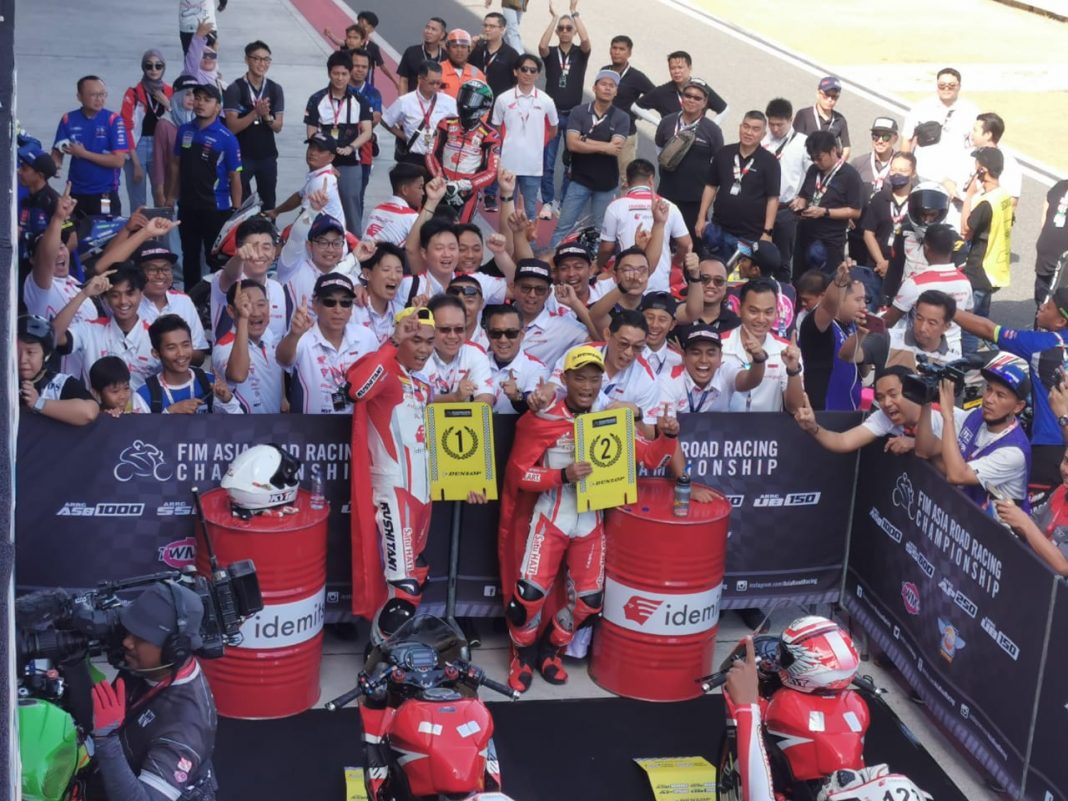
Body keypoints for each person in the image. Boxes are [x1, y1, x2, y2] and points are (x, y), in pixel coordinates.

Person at [498, 344, 677, 691]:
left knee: (590, 602)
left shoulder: (611, 419)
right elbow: (519, 475)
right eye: (580, 378)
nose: (587, 386)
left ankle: (552, 649)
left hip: (590, 523)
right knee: (527, 598)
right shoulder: (543, 419)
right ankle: (521, 655)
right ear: (565, 379)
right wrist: (561, 476)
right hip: (550, 518)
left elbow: (652, 459)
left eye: (594, 379)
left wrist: (668, 435)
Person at [345, 306, 487, 638]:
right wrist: (393, 342)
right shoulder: (383, 372)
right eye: (415, 340)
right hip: (394, 493)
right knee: (404, 583)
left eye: (428, 341)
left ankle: (391, 647)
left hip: (423, 494)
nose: (423, 349)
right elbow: (356, 390)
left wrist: (467, 480)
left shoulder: (420, 382)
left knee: (416, 570)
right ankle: (385, 653)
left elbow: (436, 431)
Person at [88, 581, 218, 801]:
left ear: (173, 651)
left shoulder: (185, 728)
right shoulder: (149, 664)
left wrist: (107, 740)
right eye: (130, 631)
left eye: (141, 637)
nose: (127, 642)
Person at [953, 289, 1068, 487]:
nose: (1041, 307)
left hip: (1049, 446)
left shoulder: (1044, 344)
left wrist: (948, 309)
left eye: (1048, 307)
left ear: (1060, 321)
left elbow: (988, 329)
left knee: (1041, 506)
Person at [916, 354, 1032, 511]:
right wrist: (926, 400)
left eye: (1000, 395)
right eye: (989, 389)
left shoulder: (1014, 452)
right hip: (965, 515)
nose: (989, 399)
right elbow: (924, 450)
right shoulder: (977, 415)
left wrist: (948, 416)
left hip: (995, 525)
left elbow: (956, 475)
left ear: (1018, 407)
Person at [166, 83, 242, 290]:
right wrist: (170, 196)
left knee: (215, 258)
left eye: (207, 100)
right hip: (188, 206)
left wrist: (236, 211)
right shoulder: (184, 131)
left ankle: (216, 297)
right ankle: (190, 298)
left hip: (215, 208)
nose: (200, 103)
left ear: (218, 107)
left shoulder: (227, 138)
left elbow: (235, 176)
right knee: (189, 256)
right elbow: (175, 165)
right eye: (198, 98)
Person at [549, 70, 629, 249]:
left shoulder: (622, 117)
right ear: (594, 88)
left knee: (600, 232)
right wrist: (604, 146)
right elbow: (572, 144)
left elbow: (615, 149)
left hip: (606, 185)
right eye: (603, 84)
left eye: (612, 86)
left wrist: (584, 140)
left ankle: (593, 264)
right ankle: (553, 258)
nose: (607, 88)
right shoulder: (579, 112)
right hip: (579, 180)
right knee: (563, 228)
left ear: (616, 91)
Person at [278, 273, 377, 414]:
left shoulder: (366, 337)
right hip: (309, 426)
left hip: (354, 425)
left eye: (345, 303)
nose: (338, 310)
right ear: (315, 305)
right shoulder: (301, 338)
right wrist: (294, 335)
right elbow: (282, 360)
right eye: (330, 302)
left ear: (351, 308)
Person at [52, 266, 160, 389]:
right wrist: (84, 293)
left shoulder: (156, 336)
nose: (123, 301)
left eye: (130, 294)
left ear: (141, 294)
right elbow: (54, 337)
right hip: (95, 402)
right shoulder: (90, 329)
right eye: (115, 295)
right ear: (106, 298)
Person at [796, 366, 940, 456]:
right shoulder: (883, 417)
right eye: (880, 397)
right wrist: (813, 428)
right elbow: (843, 441)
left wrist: (915, 443)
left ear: (912, 392)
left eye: (893, 394)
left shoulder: (940, 416)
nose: (887, 403)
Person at [303, 51, 373, 234]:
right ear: (329, 73)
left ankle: (355, 247)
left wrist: (351, 147)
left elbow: (367, 131)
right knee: (315, 207)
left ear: (350, 74)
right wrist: (325, 165)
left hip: (349, 162)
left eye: (344, 74)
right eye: (336, 73)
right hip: (322, 164)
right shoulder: (316, 99)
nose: (340, 78)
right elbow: (312, 134)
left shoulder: (360, 100)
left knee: (351, 209)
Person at [599, 159, 692, 293]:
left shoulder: (615, 206)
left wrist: (597, 265)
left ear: (627, 181)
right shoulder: (669, 206)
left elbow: (606, 248)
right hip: (660, 286)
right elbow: (686, 244)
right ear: (651, 179)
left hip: (626, 284)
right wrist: (676, 261)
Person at [882, 223, 972, 351]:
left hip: (920, 353)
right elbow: (969, 318)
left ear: (926, 248)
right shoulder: (965, 282)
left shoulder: (914, 284)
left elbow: (888, 321)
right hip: (953, 353)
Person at [539, 2, 592, 218]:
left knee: (570, 163)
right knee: (548, 162)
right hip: (552, 115)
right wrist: (554, 18)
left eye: (568, 28)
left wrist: (574, 13)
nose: (564, 31)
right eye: (561, 28)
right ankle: (547, 201)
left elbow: (586, 41)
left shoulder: (581, 53)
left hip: (573, 116)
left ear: (574, 31)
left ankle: (562, 202)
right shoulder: (551, 53)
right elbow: (542, 45)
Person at [960, 146, 1014, 359]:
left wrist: (969, 196)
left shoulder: (986, 203)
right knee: (984, 321)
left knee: (970, 323)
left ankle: (968, 363)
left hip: (979, 268)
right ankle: (996, 357)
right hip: (995, 269)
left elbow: (966, 230)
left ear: (982, 170)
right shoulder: (1004, 195)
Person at [697, 111, 780, 247]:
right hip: (719, 229)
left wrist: (767, 232)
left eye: (755, 129)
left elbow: (773, 199)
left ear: (763, 134)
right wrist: (701, 217)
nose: (749, 132)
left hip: (750, 235)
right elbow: (711, 186)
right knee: (711, 259)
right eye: (746, 127)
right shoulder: (724, 153)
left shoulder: (770, 161)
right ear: (740, 127)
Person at [653, 79, 724, 238]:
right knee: (660, 240)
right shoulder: (667, 122)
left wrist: (703, 211)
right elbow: (659, 150)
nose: (691, 100)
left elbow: (717, 167)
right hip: (666, 195)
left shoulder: (713, 131)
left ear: (704, 103)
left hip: (695, 202)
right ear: (682, 98)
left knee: (692, 245)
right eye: (688, 95)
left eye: (697, 98)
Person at [491, 55, 559, 220]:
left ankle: (529, 238)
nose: (528, 73)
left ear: (538, 75)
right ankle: (506, 237)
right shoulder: (503, 99)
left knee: (530, 212)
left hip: (532, 166)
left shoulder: (546, 101)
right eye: (524, 69)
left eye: (533, 70)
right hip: (508, 164)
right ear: (516, 72)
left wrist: (536, 144)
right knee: (507, 209)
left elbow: (553, 129)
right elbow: (497, 128)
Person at [721, 278, 804, 412]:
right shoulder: (719, 344)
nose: (761, 319)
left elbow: (795, 408)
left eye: (768, 312)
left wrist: (793, 370)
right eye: (753, 311)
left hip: (768, 426)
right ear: (739, 309)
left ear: (777, 313)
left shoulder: (787, 350)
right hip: (723, 425)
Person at [52, 76, 129, 217]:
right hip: (75, 194)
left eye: (102, 94)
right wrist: (55, 167)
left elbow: (118, 161)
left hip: (104, 194)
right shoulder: (68, 119)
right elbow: (57, 152)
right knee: (72, 231)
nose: (99, 99)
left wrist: (83, 154)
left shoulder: (113, 120)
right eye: (94, 95)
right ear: (79, 97)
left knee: (107, 232)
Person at [426, 80, 500, 223]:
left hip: (467, 194)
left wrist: (462, 185)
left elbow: (491, 171)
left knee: (461, 232)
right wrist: (440, 178)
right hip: (439, 187)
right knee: (428, 229)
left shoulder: (490, 135)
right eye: (464, 96)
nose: (466, 103)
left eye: (473, 99)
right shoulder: (445, 123)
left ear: (485, 105)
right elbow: (430, 153)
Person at [790, 130, 863, 276]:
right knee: (800, 279)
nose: (816, 162)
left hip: (830, 241)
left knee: (825, 281)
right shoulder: (813, 170)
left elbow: (855, 211)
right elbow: (804, 195)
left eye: (819, 158)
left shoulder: (850, 175)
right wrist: (800, 204)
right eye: (812, 158)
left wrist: (825, 212)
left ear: (833, 150)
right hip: (805, 236)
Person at [223, 40, 285, 211]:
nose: (262, 63)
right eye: (256, 59)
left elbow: (278, 126)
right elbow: (231, 128)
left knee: (268, 203)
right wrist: (254, 113)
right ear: (247, 60)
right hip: (242, 156)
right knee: (241, 205)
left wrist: (266, 116)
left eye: (266, 59)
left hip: (267, 156)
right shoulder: (235, 89)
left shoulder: (275, 89)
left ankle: (267, 228)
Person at [797, 263, 865, 411]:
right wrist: (839, 282)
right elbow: (828, 307)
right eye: (858, 300)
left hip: (850, 414)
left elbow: (859, 362)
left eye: (865, 300)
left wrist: (862, 334)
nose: (863, 306)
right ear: (840, 298)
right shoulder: (817, 325)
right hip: (824, 415)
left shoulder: (852, 326)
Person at [138, 314, 240, 413]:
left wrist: (227, 401)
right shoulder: (144, 395)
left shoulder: (210, 382)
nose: (181, 353)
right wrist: (169, 412)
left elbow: (238, 422)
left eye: (185, 345)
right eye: (171, 348)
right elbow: (138, 426)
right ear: (156, 353)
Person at [659, 323, 766, 414]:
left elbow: (751, 380)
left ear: (720, 357)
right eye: (696, 353)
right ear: (684, 356)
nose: (703, 360)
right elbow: (663, 425)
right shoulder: (668, 380)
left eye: (710, 354)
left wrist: (759, 359)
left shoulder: (725, 372)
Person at [841, 289, 960, 370]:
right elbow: (847, 356)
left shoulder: (953, 362)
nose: (923, 328)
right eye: (919, 318)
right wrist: (861, 333)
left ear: (946, 327)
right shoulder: (888, 339)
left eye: (932, 323)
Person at [995, 446, 1068, 576]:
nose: (1066, 471)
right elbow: (1035, 525)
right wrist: (1013, 515)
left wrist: (1025, 524)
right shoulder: (1061, 490)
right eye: (1066, 461)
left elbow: (1062, 566)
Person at [213, 280, 284, 413]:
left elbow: (278, 367)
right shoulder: (224, 347)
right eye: (246, 305)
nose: (256, 313)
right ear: (231, 311)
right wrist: (243, 319)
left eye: (261, 304)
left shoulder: (268, 334)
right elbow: (238, 376)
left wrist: (283, 398)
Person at [214, 216, 286, 342]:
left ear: (274, 251)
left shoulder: (277, 289)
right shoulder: (226, 281)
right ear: (238, 250)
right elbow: (230, 275)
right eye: (252, 248)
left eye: (266, 247)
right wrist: (239, 258)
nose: (259, 254)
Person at [17, 315, 98, 426]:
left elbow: (89, 412)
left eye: (30, 352)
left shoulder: (60, 383)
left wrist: (39, 403)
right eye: (16, 352)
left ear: (46, 354)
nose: (22, 360)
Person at [901, 67, 978, 185]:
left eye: (951, 85)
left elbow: (979, 144)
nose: (946, 89)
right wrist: (904, 170)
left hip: (957, 179)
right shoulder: (921, 108)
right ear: (937, 86)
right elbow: (907, 140)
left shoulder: (971, 111)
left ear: (959, 86)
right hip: (924, 176)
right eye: (942, 85)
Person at [134, 244, 210, 361]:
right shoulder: (128, 303)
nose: (160, 275)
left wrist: (172, 357)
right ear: (138, 272)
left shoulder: (183, 301)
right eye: (152, 269)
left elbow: (199, 353)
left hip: (178, 370)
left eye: (166, 269)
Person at [762, 98, 810, 276]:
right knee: (756, 254)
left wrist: (804, 197)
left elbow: (813, 174)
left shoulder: (803, 143)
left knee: (782, 260)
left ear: (790, 120)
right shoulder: (763, 140)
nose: (775, 129)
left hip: (786, 209)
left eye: (779, 125)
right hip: (761, 206)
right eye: (771, 124)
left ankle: (783, 291)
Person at [121, 51, 174, 212]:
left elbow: (179, 120)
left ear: (164, 68)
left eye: (158, 66)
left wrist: (168, 104)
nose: (154, 70)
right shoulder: (133, 93)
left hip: (161, 147)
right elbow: (125, 127)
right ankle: (139, 229)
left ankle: (161, 229)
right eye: (149, 66)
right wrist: (135, 162)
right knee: (138, 202)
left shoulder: (170, 92)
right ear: (143, 68)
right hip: (137, 147)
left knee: (162, 198)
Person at [511, 259, 590, 365]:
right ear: (513, 287)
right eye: (526, 288)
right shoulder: (494, 318)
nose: (532, 295)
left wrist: (575, 303)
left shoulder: (563, 327)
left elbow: (603, 342)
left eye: (540, 290)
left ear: (548, 293)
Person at [276, 210, 350, 322]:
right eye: (323, 242)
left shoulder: (348, 279)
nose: (330, 249)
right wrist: (312, 210)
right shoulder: (293, 269)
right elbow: (296, 238)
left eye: (336, 243)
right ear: (309, 245)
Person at [419, 294, 495, 403]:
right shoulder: (417, 353)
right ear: (430, 328)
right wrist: (454, 398)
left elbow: (485, 401)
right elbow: (414, 400)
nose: (452, 336)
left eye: (459, 329)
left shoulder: (476, 353)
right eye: (445, 329)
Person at [382, 62, 458, 169]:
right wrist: (403, 136)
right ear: (420, 79)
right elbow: (385, 121)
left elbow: (459, 123)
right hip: (414, 158)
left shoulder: (449, 102)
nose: (435, 87)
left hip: (438, 159)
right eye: (431, 83)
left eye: (438, 83)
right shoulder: (405, 101)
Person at [601, 35, 654, 180]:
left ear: (629, 53)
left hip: (625, 134)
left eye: (621, 49)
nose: (617, 52)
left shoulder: (637, 77)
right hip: (602, 132)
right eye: (614, 48)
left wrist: (638, 110)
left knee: (626, 178)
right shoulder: (604, 71)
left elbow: (655, 95)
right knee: (601, 173)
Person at [860, 152, 916, 286]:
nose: (896, 174)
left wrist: (894, 266)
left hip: (906, 269)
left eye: (902, 170)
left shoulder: (917, 201)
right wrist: (881, 262)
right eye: (893, 169)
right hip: (877, 267)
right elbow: (868, 233)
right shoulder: (879, 198)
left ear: (913, 173)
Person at [482, 304, 549, 414]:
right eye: (496, 333)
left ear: (521, 335)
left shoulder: (538, 368)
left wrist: (517, 396)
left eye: (511, 333)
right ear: (487, 335)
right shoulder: (477, 361)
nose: (503, 340)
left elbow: (532, 405)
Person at [267, 132, 344, 226]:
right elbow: (299, 196)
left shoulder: (320, 182)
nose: (313, 153)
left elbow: (304, 220)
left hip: (328, 233)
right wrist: (276, 211)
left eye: (320, 150)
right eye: (311, 147)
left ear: (331, 157)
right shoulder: (321, 174)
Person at [638, 51, 728, 121]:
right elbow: (636, 107)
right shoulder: (662, 91)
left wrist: (710, 128)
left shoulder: (701, 88)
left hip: (695, 137)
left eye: (680, 67)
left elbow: (724, 109)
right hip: (670, 138)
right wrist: (659, 123)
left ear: (690, 68)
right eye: (672, 68)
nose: (676, 71)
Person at [347, 48, 384, 211]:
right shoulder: (340, 88)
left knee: (358, 197)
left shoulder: (373, 93)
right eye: (356, 66)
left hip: (363, 155)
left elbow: (373, 121)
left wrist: (371, 122)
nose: (360, 70)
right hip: (339, 152)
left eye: (364, 67)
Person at [351, 242, 407, 345]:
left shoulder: (401, 313)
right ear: (367, 274)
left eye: (399, 271)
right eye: (386, 270)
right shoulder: (351, 310)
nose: (394, 277)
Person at [363, 163, 425, 245]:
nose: (423, 193)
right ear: (405, 190)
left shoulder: (377, 209)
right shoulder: (411, 217)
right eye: (420, 187)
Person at [17, 145, 60, 263]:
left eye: (24, 169)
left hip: (42, 267)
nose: (19, 172)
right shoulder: (26, 198)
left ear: (40, 175)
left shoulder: (53, 202)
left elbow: (71, 241)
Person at [792, 76, 851, 161]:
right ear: (818, 94)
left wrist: (838, 163)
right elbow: (794, 142)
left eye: (834, 97)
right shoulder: (804, 115)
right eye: (826, 95)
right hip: (807, 162)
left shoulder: (840, 119)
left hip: (830, 165)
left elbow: (846, 148)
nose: (830, 100)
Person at [1034, 175, 1068, 308]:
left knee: (1057, 308)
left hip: (1063, 268)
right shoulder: (1060, 186)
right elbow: (1045, 213)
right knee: (1041, 305)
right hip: (1044, 260)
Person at [471, 12, 520, 100]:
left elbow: (517, 82)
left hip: (499, 102)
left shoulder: (511, 55)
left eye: (492, 26)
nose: (487, 29)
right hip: (475, 98)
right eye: (485, 25)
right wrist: (470, 47)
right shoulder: (477, 49)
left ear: (502, 29)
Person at [851, 117, 899, 201]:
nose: (880, 141)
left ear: (895, 139)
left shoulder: (902, 167)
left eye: (886, 137)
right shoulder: (858, 163)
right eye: (875, 136)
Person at [397, 17, 448, 94]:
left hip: (437, 100)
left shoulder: (446, 57)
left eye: (433, 29)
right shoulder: (411, 52)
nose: (429, 31)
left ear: (442, 35)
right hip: (413, 100)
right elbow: (403, 80)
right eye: (427, 28)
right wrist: (402, 100)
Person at [640, 292, 682, 378]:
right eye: (650, 318)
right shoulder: (628, 355)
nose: (654, 325)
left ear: (672, 324)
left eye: (662, 320)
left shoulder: (679, 361)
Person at [440, 29, 487, 99]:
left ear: (469, 50)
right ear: (448, 49)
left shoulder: (476, 72)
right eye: (454, 46)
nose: (459, 50)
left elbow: (485, 99)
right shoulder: (438, 70)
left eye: (463, 47)